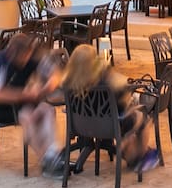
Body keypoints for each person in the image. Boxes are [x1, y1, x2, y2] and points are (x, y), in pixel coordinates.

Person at [59, 45, 160, 174]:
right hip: (109, 127)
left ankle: (132, 150)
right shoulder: (105, 84)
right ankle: (139, 157)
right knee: (142, 117)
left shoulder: (68, 83)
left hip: (80, 126)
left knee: (130, 121)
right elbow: (121, 108)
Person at [0, 32, 59, 172]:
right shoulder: (0, 62)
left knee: (47, 110)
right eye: (23, 57)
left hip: (16, 103)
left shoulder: (30, 55)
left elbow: (54, 74)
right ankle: (45, 160)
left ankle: (52, 153)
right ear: (13, 52)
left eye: (28, 55)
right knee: (27, 115)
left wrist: (46, 87)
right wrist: (25, 95)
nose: (26, 60)